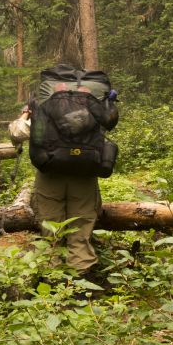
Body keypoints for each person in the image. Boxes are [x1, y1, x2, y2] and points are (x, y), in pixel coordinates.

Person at [28, 76, 119, 273]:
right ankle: (81, 277)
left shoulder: (44, 103)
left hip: (50, 170)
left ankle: (51, 276)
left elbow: (34, 135)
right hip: (85, 170)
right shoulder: (93, 102)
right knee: (82, 222)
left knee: (50, 223)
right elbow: (110, 123)